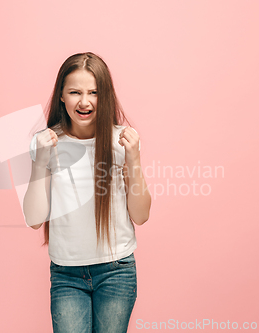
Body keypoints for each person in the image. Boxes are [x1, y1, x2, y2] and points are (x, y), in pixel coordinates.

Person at [23, 52, 151, 333]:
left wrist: (134, 161)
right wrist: (40, 160)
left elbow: (141, 216)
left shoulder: (122, 141)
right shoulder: (47, 143)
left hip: (117, 271)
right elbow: (34, 219)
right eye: (75, 92)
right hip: (67, 275)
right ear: (61, 96)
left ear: (105, 96)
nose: (85, 101)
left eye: (94, 92)